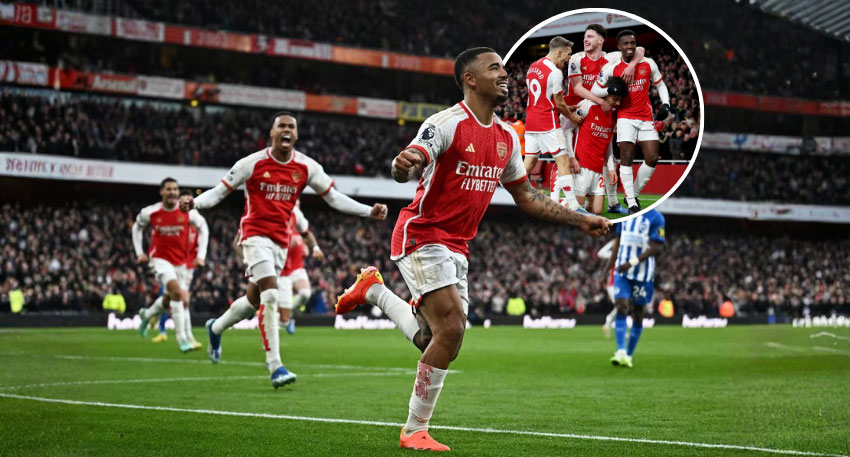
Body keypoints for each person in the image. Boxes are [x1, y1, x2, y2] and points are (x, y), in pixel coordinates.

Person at [334, 47, 612, 451]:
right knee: (451, 330)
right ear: (470, 79)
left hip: (458, 246)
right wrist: (405, 163)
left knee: (439, 339)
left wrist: (579, 218)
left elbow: (529, 198)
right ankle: (414, 430)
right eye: (494, 67)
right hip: (422, 234)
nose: (504, 74)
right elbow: (413, 158)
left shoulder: (505, 138)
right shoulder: (446, 123)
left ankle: (373, 290)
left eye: (504, 67)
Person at [179, 111, 388, 389]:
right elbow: (218, 192)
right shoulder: (251, 164)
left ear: (296, 135)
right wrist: (194, 203)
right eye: (281, 126)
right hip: (254, 236)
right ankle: (275, 366)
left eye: (291, 127)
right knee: (271, 294)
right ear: (272, 133)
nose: (286, 130)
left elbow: (334, 198)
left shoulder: (306, 167)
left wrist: (368, 211)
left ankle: (215, 328)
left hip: (280, 242)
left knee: (254, 299)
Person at [566, 24, 644, 214]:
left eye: (590, 36)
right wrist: (601, 102)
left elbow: (639, 50)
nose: (585, 39)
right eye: (585, 36)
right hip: (576, 110)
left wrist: (633, 64)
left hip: (600, 109)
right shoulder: (576, 59)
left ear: (601, 40)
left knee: (603, 148)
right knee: (568, 155)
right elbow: (577, 88)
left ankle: (611, 203)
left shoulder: (611, 58)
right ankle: (562, 195)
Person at [594, 30, 671, 214]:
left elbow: (660, 84)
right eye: (626, 44)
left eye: (632, 43)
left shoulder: (648, 64)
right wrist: (609, 90)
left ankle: (633, 193)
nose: (630, 47)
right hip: (625, 117)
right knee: (626, 159)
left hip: (645, 117)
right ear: (619, 46)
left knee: (652, 158)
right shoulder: (612, 69)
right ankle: (632, 203)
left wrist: (666, 104)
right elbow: (595, 89)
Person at [133, 177, 209, 353]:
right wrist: (139, 252)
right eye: (168, 189)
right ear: (161, 192)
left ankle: (147, 314)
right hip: (159, 260)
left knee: (169, 298)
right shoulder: (150, 212)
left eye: (175, 189)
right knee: (178, 294)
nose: (172, 192)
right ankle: (183, 339)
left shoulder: (187, 212)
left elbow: (203, 227)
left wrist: (201, 255)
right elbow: (136, 227)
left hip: (181, 262)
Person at [522, 37, 585, 212]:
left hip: (531, 122)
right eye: (568, 54)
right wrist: (572, 117)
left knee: (529, 162)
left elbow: (545, 97)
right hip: (547, 123)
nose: (568, 59)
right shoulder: (555, 72)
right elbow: (558, 103)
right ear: (559, 52)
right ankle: (573, 205)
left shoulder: (533, 67)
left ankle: (513, 191)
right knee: (563, 160)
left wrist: (565, 106)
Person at [605, 209, 666, 367]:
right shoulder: (624, 215)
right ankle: (620, 351)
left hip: (642, 275)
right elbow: (618, 241)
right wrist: (609, 265)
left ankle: (629, 355)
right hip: (622, 272)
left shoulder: (656, 218)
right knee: (621, 306)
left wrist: (631, 263)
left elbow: (655, 247)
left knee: (637, 314)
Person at [561, 77, 627, 214]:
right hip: (581, 166)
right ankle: (558, 202)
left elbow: (607, 142)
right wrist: (572, 158)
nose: (618, 103)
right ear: (606, 94)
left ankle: (572, 202)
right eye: (615, 99)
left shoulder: (614, 116)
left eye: (620, 99)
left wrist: (611, 169)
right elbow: (567, 130)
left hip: (598, 169)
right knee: (576, 212)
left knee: (596, 211)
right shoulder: (588, 105)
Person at [277, 203, 324, 335]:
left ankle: (287, 314)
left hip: (296, 268)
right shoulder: (279, 220)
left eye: (297, 202)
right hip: (280, 269)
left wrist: (309, 248)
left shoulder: (299, 224)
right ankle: (282, 319)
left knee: (305, 293)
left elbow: (306, 247)